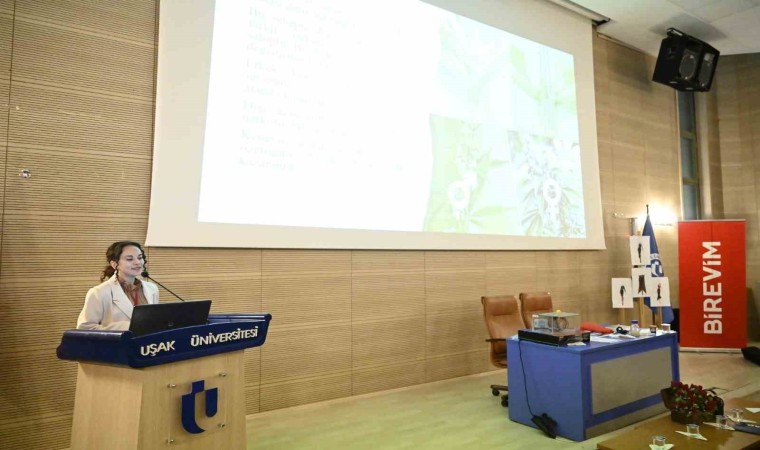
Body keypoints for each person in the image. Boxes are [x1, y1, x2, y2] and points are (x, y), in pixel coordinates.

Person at [77, 241, 159, 330]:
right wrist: (126, 327)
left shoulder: (152, 288)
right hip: (119, 339)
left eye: (140, 257)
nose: (137, 262)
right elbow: (85, 328)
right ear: (114, 264)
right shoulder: (99, 292)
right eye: (129, 259)